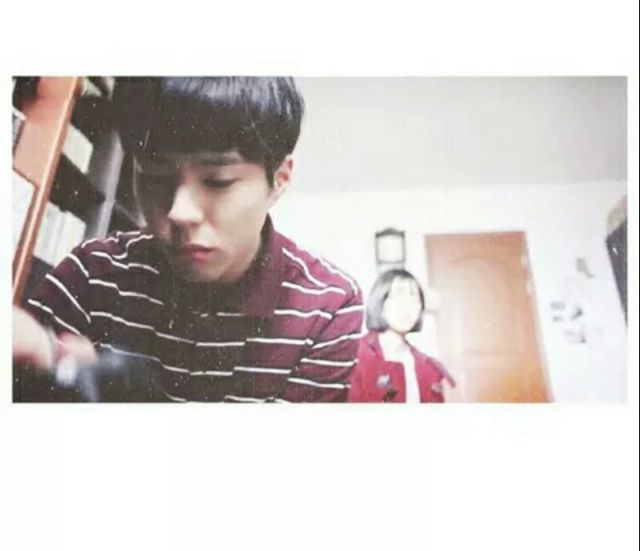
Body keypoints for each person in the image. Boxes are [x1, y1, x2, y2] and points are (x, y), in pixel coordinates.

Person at [14, 77, 363, 402]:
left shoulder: (328, 306)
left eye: (218, 181)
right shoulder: (91, 273)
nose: (180, 212)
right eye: (154, 176)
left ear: (280, 180)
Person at [348, 268, 454, 403]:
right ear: (380, 301)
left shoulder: (429, 367)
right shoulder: (354, 356)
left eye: (414, 297)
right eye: (397, 296)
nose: (407, 306)